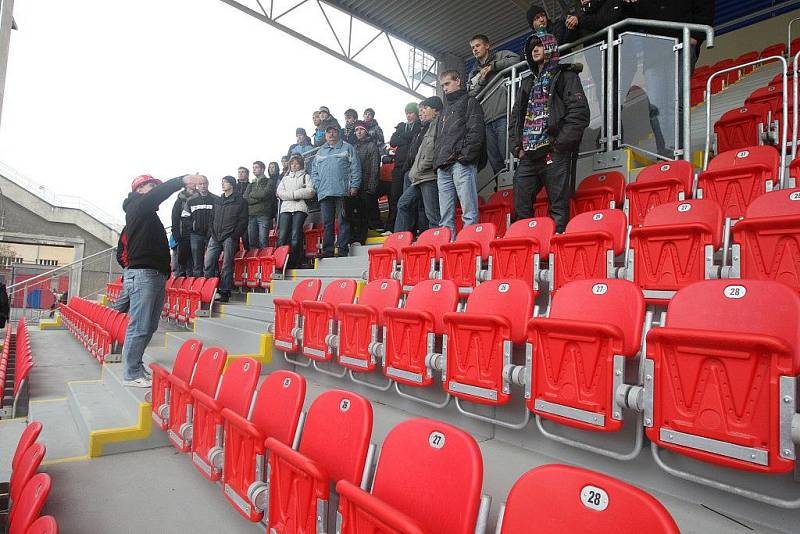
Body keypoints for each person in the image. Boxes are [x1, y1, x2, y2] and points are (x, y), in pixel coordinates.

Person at [121, 173, 203, 387]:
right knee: (139, 326)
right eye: (150, 185)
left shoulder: (147, 213)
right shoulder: (136, 205)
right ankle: (130, 373)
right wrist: (181, 181)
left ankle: (136, 367)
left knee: (149, 325)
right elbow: (157, 195)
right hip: (143, 274)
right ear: (139, 189)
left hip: (155, 274)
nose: (154, 188)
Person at [510, 33, 590, 233]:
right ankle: (525, 248)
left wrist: (559, 144)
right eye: (532, 47)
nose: (535, 49)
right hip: (528, 153)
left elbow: (579, 113)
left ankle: (554, 249)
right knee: (520, 207)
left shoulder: (566, 76)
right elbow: (516, 118)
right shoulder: (527, 83)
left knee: (558, 207)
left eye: (540, 45)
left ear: (551, 48)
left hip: (553, 151)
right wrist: (517, 147)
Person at [435, 70, 487, 236]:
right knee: (445, 216)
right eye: (442, 85)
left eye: (447, 83)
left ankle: (469, 246)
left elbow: (476, 131)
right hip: (443, 166)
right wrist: (437, 162)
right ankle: (447, 249)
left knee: (469, 211)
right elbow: (438, 139)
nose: (444, 88)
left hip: (460, 164)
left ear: (458, 81)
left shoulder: (470, 102)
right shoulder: (444, 111)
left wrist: (463, 157)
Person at [467, 35, 521, 176]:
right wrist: (482, 80)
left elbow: (517, 59)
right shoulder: (473, 72)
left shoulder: (500, 55)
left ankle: (516, 188)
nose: (475, 50)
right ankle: (501, 193)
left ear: (487, 46)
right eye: (473, 48)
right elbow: (471, 95)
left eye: (477, 46)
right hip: (486, 120)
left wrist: (493, 67)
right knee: (495, 161)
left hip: (504, 114)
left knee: (508, 155)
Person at [310, 125, 361, 258]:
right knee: (327, 224)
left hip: (342, 192)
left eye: (334, 132)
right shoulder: (320, 151)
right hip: (324, 193)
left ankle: (343, 249)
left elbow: (355, 167)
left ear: (339, 134)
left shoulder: (347, 147)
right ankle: (328, 251)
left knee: (344, 220)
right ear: (325, 136)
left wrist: (354, 185)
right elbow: (314, 172)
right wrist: (317, 186)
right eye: (329, 132)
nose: (331, 135)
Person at [395, 96, 442, 232]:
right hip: (419, 177)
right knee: (403, 204)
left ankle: (435, 245)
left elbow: (432, 152)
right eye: (420, 110)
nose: (421, 112)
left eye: (425, 109)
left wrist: (419, 169)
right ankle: (400, 240)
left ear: (436, 110)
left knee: (432, 215)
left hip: (429, 177)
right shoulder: (426, 128)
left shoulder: (439, 126)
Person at [203, 176, 248, 303]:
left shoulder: (241, 201)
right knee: (208, 263)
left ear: (232, 184)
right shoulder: (217, 200)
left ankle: (225, 291)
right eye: (222, 182)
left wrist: (234, 235)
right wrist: (212, 232)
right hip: (215, 236)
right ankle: (209, 290)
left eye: (225, 182)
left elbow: (243, 220)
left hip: (229, 236)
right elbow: (211, 218)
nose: (223, 185)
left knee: (227, 265)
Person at [276, 154, 316, 268]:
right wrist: (295, 195)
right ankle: (281, 262)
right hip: (285, 209)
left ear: (301, 164)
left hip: (300, 208)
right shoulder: (285, 177)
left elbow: (310, 191)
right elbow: (280, 193)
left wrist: (292, 194)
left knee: (295, 235)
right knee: (282, 236)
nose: (294, 165)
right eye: (292, 163)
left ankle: (295, 262)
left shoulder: (306, 176)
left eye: (296, 163)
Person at [387, 103, 422, 232]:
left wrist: (403, 137)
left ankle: (412, 228)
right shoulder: (402, 126)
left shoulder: (420, 125)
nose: (408, 115)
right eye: (407, 113)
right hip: (398, 166)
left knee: (411, 198)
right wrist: (407, 137)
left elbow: (413, 136)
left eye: (411, 112)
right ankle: (392, 227)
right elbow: (393, 141)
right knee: (395, 197)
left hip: (412, 166)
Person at [352, 120, 381, 244]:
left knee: (367, 210)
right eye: (357, 130)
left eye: (361, 129)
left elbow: (375, 167)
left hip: (368, 184)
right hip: (357, 185)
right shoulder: (354, 147)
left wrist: (372, 185)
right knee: (359, 213)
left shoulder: (372, 145)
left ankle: (365, 235)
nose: (359, 132)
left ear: (366, 131)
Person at [244, 161, 278, 249]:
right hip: (251, 215)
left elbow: (265, 194)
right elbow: (245, 198)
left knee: (263, 241)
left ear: (263, 169)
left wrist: (252, 195)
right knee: (252, 242)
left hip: (263, 214)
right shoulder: (251, 184)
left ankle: (264, 261)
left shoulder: (269, 181)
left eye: (256, 167)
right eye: (253, 168)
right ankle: (254, 262)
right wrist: (259, 198)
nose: (254, 169)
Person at [186, 176, 216, 277]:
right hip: (196, 235)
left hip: (212, 235)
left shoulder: (215, 199)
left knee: (212, 262)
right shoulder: (190, 201)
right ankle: (198, 288)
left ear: (208, 184)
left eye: (205, 183)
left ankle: (214, 286)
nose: (203, 186)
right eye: (201, 184)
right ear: (197, 186)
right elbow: (185, 217)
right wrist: (193, 227)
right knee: (197, 264)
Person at [169, 183, 197, 277]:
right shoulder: (179, 201)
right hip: (181, 235)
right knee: (180, 261)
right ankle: (178, 279)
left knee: (193, 262)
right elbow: (175, 218)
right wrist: (176, 234)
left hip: (194, 234)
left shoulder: (198, 199)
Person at [110, 227, 130, 313]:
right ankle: (110, 320)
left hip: (132, 267)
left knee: (126, 298)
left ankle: (112, 320)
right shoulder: (128, 228)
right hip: (130, 267)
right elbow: (120, 254)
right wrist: (126, 265)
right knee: (125, 298)